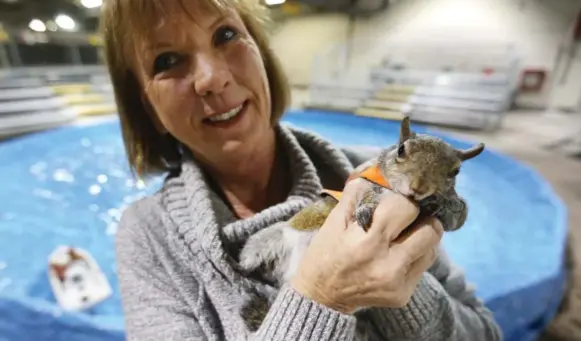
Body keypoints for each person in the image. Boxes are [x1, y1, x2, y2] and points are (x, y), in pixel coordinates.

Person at [99, 0, 503, 340]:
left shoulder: (381, 176)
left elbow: (484, 332)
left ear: (260, 51)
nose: (213, 79)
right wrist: (323, 296)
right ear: (145, 105)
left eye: (224, 35)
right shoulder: (148, 238)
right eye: (167, 60)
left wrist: (401, 285)